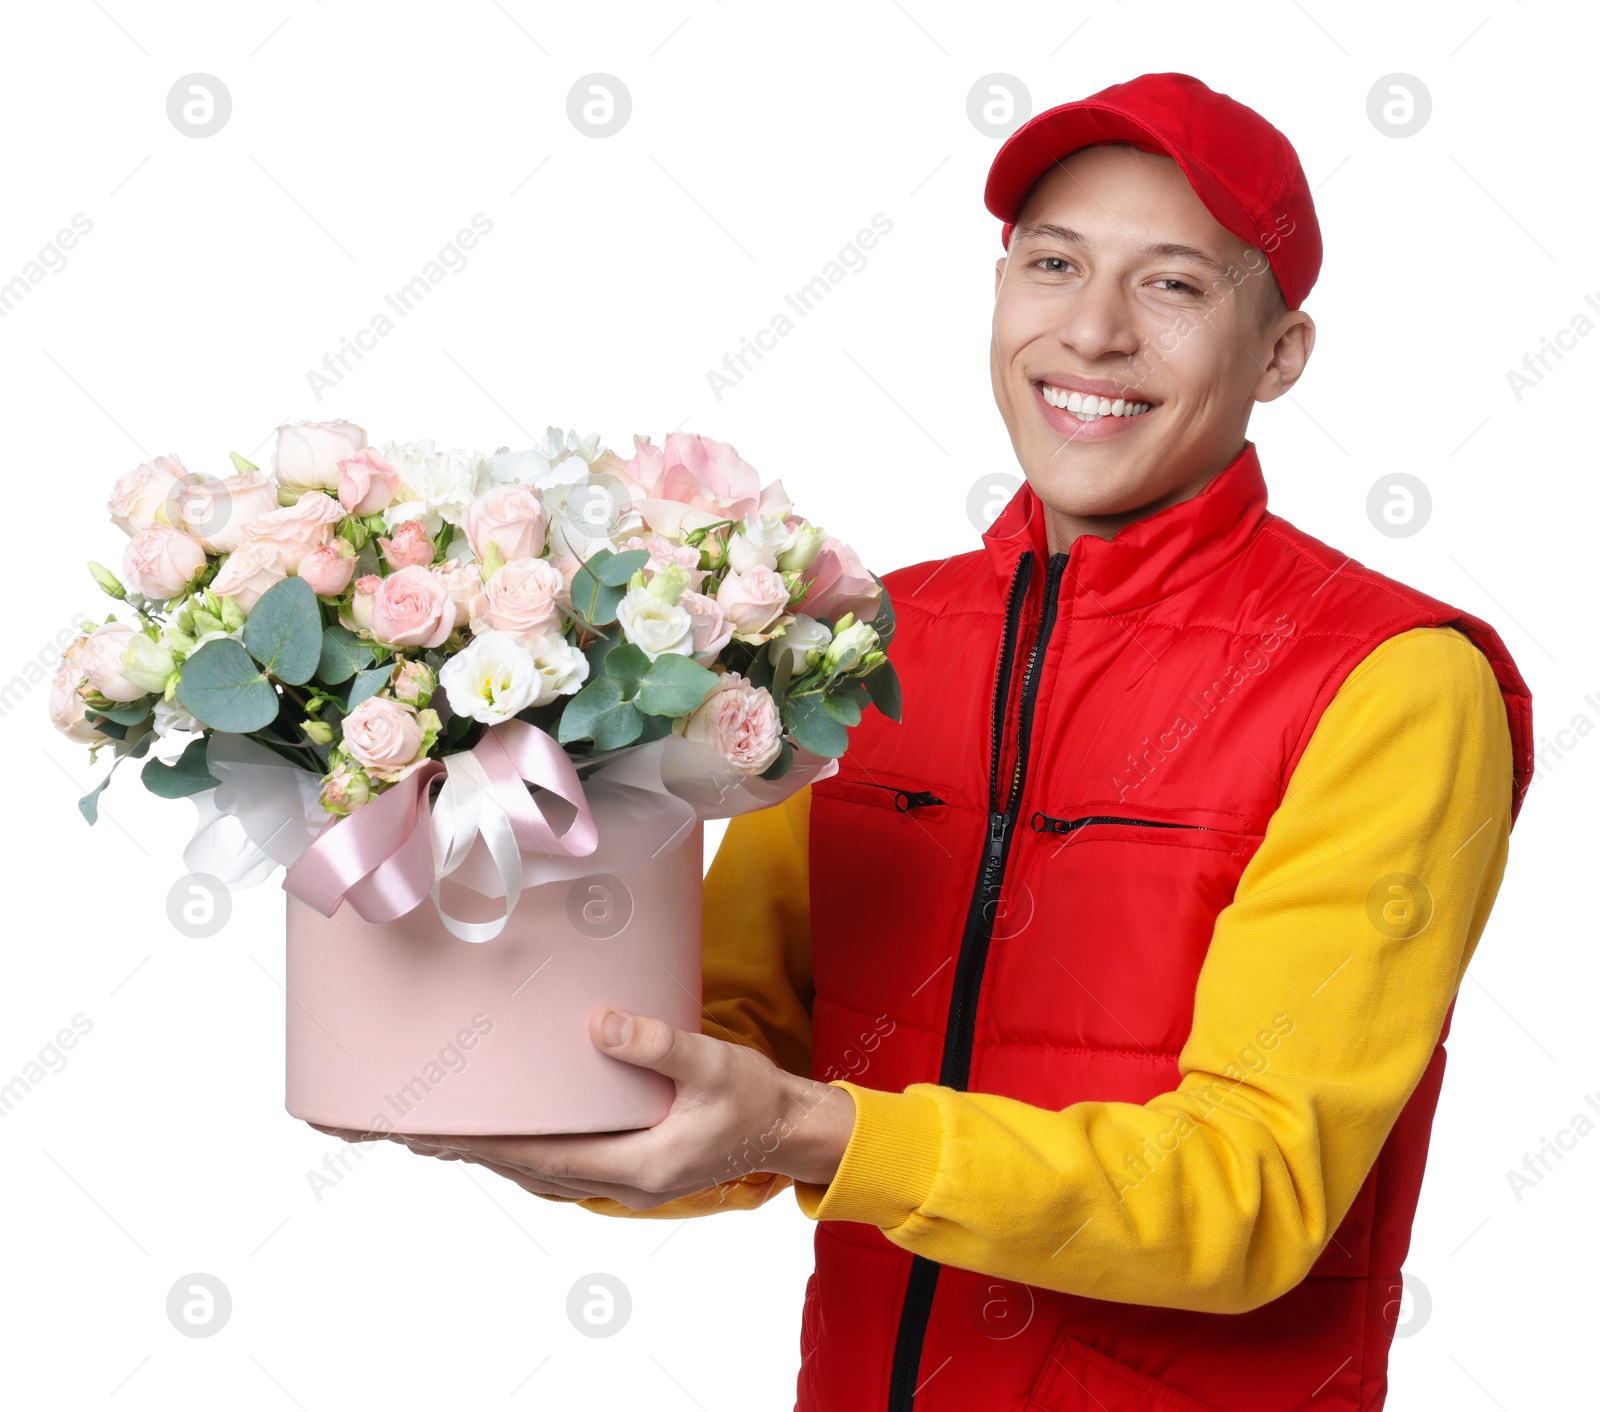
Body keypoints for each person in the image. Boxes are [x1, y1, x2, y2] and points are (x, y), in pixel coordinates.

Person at [333, 73, 1533, 1411]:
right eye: (1052, 264)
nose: (1092, 330)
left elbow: (1251, 1192)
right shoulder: (862, 646)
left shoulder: (1391, 684)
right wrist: (511, 1076)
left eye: (1174, 286)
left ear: (1281, 352)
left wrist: (806, 1128)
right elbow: (742, 1046)